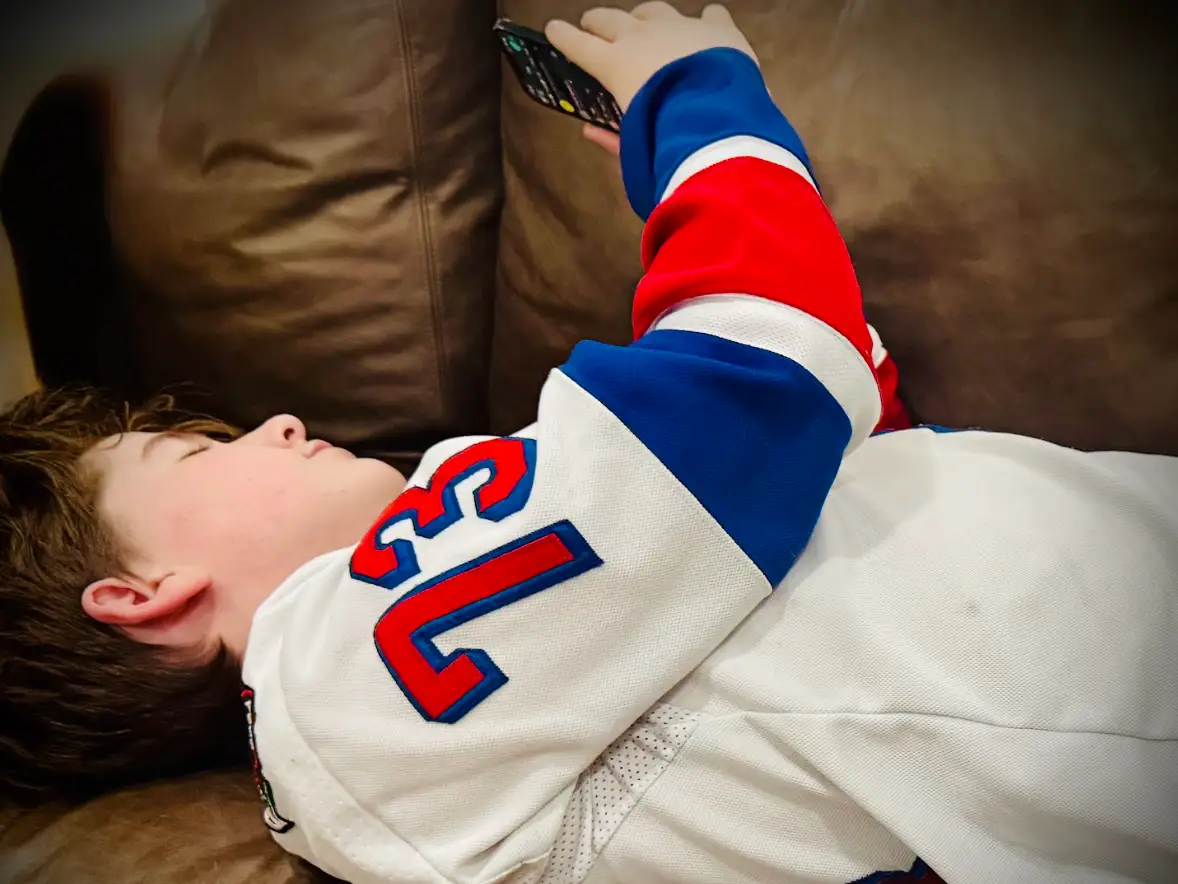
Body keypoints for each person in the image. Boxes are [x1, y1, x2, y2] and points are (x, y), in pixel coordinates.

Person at [1, 3, 1175, 882]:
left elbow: (789, 479)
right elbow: (760, 377)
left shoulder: (414, 665)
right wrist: (697, 106)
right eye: (196, 454)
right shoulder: (341, 675)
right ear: (142, 595)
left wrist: (728, 256)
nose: (280, 422)